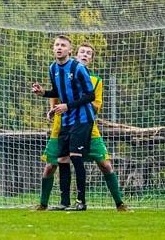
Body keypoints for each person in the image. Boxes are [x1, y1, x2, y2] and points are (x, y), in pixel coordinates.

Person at [38, 42, 127, 211]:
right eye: (82, 52)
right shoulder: (60, 71)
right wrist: (51, 109)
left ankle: (119, 203)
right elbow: (57, 96)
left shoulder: (95, 80)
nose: (85, 55)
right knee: (51, 166)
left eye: (89, 53)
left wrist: (72, 105)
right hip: (61, 127)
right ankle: (44, 204)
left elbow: (94, 105)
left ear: (91, 59)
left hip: (87, 127)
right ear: (75, 55)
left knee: (105, 164)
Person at [32, 35, 95, 211]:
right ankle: (64, 202)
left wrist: (68, 106)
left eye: (63, 45)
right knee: (62, 159)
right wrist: (43, 92)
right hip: (66, 120)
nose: (59, 48)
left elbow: (91, 96)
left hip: (83, 119)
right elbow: (56, 91)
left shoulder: (78, 68)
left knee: (76, 156)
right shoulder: (53, 68)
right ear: (53, 48)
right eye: (56, 45)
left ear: (69, 50)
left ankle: (81, 201)